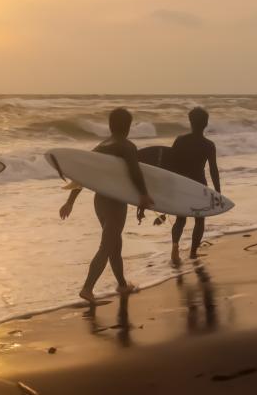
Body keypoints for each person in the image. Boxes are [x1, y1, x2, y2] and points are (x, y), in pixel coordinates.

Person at [59, 108, 154, 303]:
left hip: (100, 201)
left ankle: (121, 284)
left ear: (110, 126)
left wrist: (70, 201)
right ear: (128, 127)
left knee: (114, 244)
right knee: (107, 245)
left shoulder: (101, 146)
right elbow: (135, 173)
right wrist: (143, 194)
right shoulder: (127, 146)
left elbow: (84, 176)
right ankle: (87, 288)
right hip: (115, 201)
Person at [169, 107, 221, 265]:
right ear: (205, 123)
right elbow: (213, 170)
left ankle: (175, 247)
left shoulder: (180, 140)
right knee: (199, 220)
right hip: (199, 185)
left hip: (182, 184)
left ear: (190, 122)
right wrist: (218, 192)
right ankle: (192, 253)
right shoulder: (208, 145)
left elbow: (170, 164)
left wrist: (169, 186)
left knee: (180, 219)